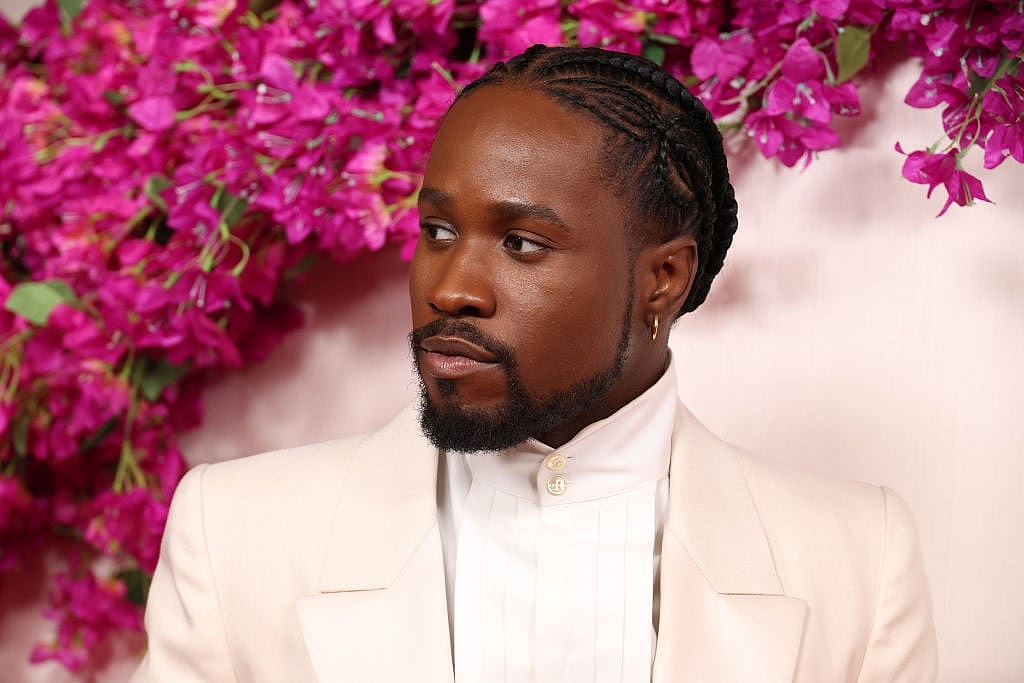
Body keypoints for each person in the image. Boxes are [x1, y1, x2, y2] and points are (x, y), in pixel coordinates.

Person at [132, 45, 937, 682]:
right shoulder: (235, 531)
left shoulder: (857, 559)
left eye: (522, 244)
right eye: (438, 232)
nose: (449, 289)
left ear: (664, 277)